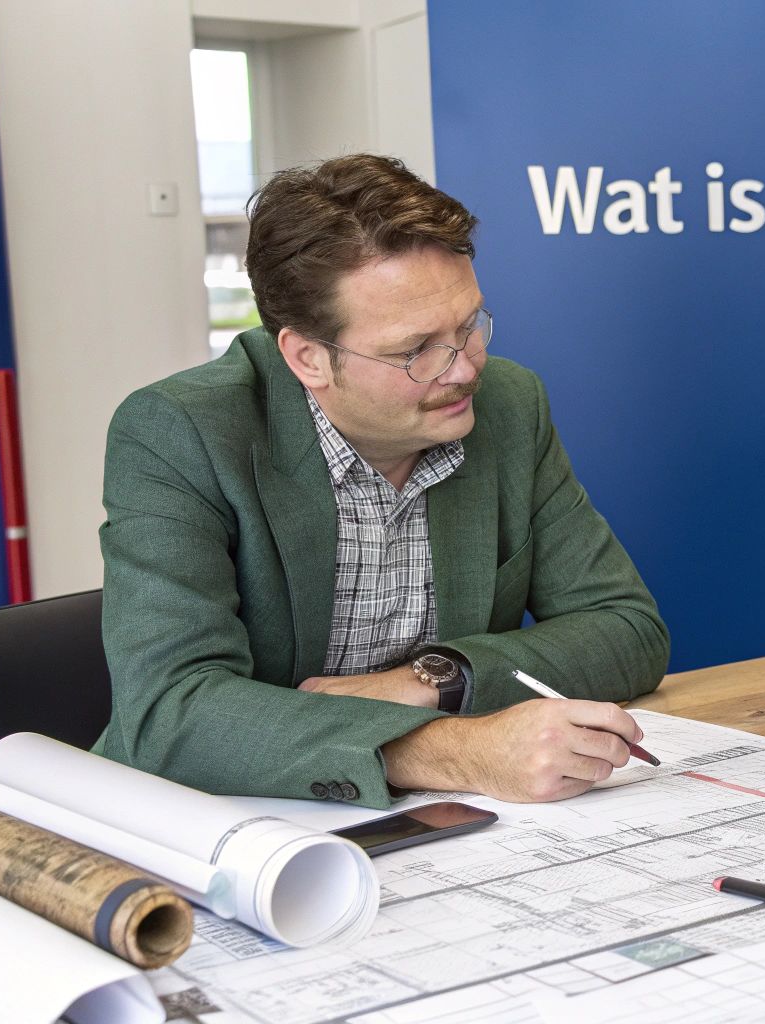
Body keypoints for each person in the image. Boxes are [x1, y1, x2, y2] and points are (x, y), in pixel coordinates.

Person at [94, 155, 670, 809]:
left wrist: (437, 679)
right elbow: (169, 714)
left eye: (469, 326)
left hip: (439, 826)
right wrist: (449, 751)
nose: (462, 369)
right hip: (224, 819)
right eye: (415, 349)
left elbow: (627, 629)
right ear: (308, 357)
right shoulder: (182, 432)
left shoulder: (511, 407)